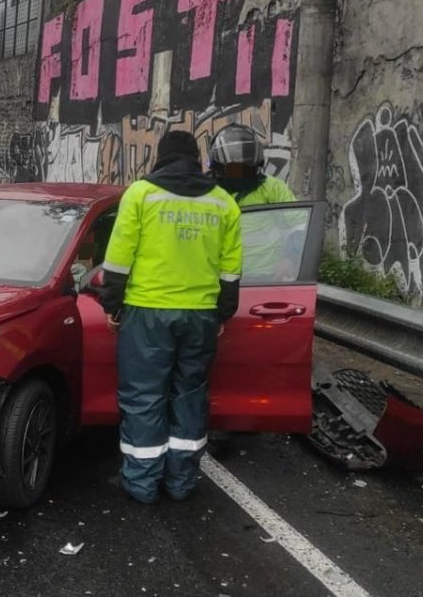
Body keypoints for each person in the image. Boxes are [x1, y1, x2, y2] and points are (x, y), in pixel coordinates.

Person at [99, 131, 242, 504]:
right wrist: (223, 311)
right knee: (190, 395)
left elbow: (117, 259)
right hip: (200, 316)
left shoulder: (141, 194)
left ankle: (142, 485)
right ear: (196, 158)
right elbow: (231, 269)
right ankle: (181, 484)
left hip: (147, 312)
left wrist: (112, 305)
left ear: (160, 157)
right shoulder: (223, 203)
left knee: (144, 396)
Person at [209, 124, 299, 282]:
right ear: (219, 169)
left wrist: (290, 258)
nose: (240, 176)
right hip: (217, 277)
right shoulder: (207, 192)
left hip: (268, 277)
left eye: (247, 170)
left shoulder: (272, 188)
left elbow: (300, 224)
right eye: (234, 170)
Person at [209, 124, 295, 206]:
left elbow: (298, 217)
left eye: (246, 165)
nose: (241, 163)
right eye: (234, 168)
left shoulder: (272, 187)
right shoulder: (208, 194)